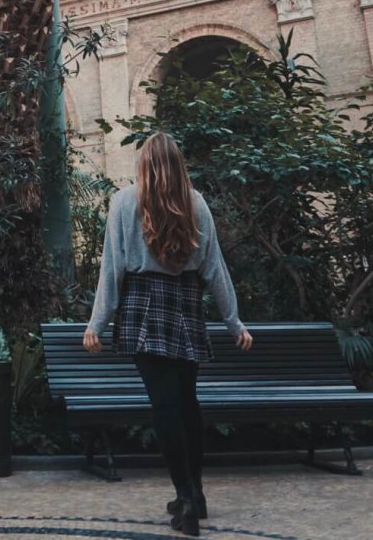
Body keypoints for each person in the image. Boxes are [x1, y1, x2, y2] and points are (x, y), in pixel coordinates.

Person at [83, 132, 253, 538]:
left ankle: (186, 499)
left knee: (165, 407)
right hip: (185, 305)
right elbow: (215, 269)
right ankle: (194, 491)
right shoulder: (197, 203)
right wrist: (235, 323)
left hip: (144, 306)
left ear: (143, 165)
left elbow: (112, 268)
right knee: (187, 402)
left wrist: (97, 324)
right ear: (179, 165)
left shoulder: (124, 202)